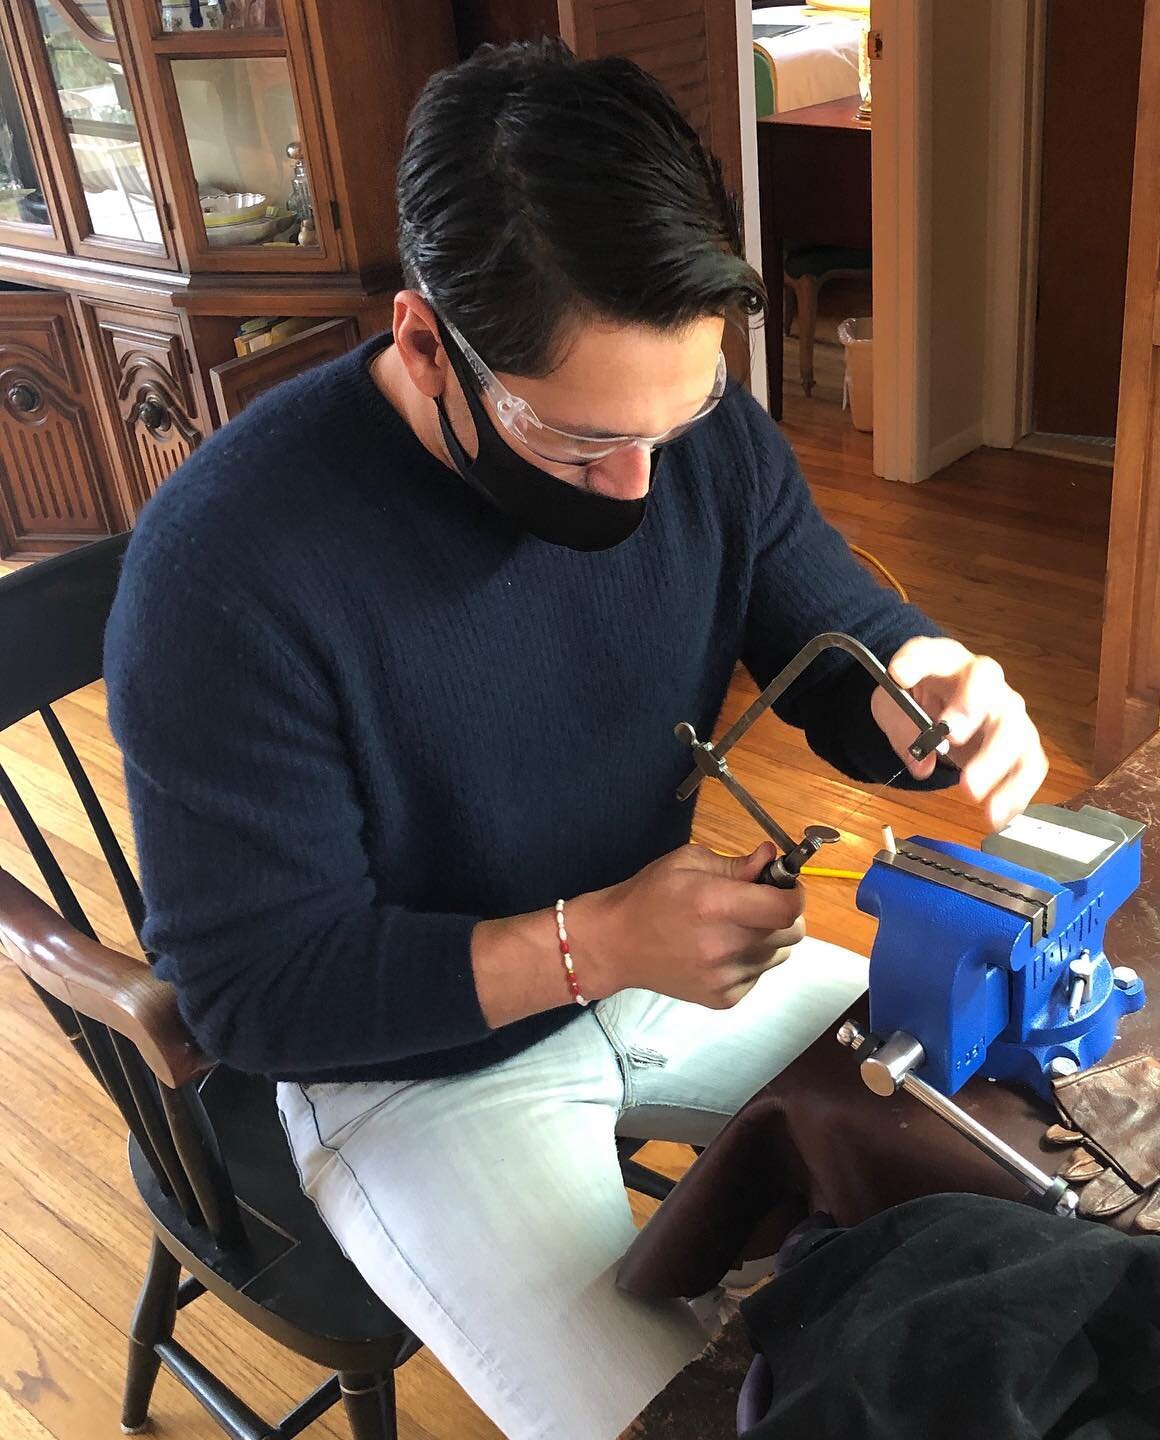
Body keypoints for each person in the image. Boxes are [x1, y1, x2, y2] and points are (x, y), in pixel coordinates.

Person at [104, 40, 1048, 1440]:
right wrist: (592, 942)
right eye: (580, 440)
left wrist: (923, 682)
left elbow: (826, 621)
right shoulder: (227, 574)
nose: (642, 483)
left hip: (656, 956)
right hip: (412, 1066)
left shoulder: (689, 434)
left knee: (1031, 1159)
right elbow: (256, 996)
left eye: (684, 415)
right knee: (694, 1417)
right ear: (426, 341)